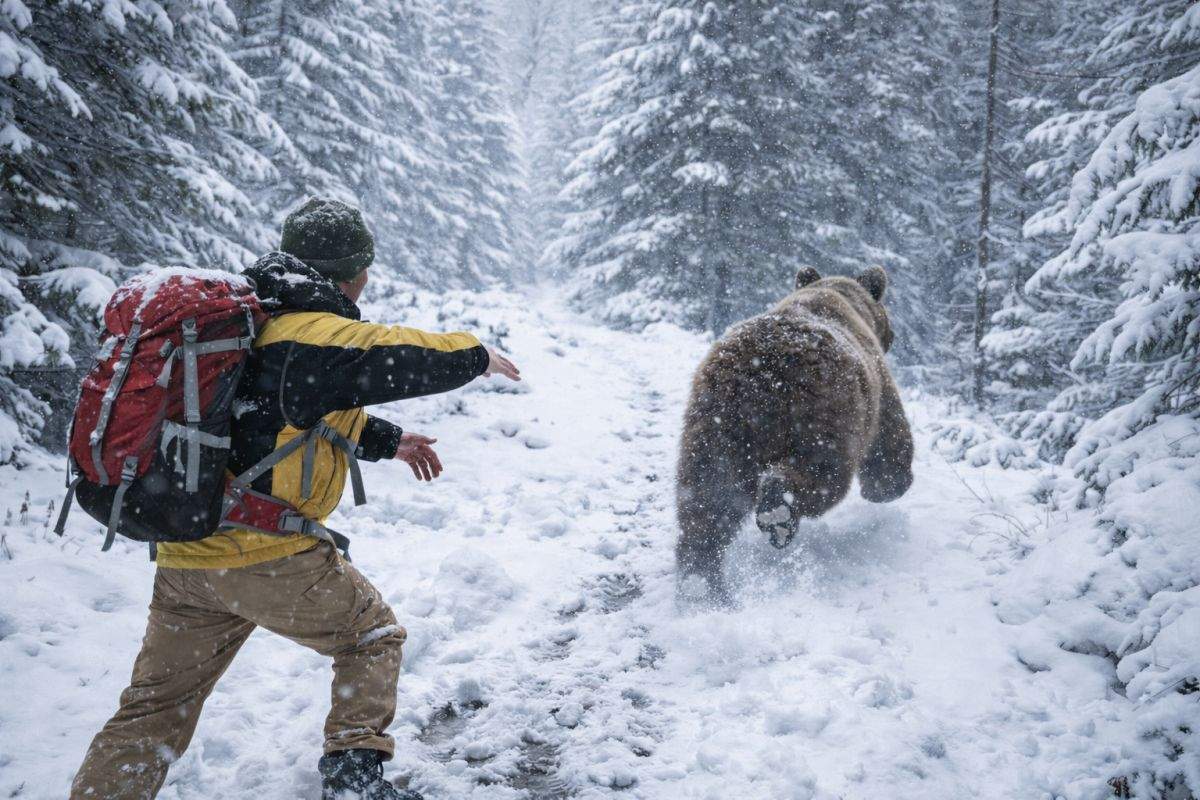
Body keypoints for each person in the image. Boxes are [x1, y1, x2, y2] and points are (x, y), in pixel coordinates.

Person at [70, 198, 521, 800]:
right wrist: (477, 354)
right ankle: (354, 777)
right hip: (265, 555)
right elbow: (399, 354)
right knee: (371, 636)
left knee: (153, 708)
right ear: (352, 270)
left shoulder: (249, 324)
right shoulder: (312, 335)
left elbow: (282, 411)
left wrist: (389, 441)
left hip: (187, 558)